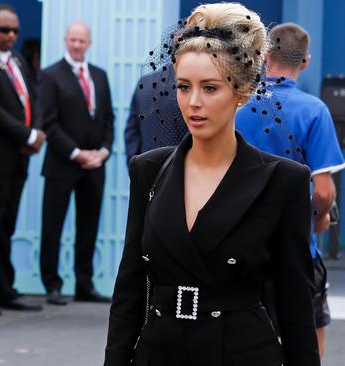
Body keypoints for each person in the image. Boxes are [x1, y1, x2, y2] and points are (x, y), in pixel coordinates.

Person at [104, 4, 320, 366]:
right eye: (184, 87)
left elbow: (295, 303)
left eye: (210, 88)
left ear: (243, 91)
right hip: (159, 353)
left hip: (242, 353)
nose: (193, 103)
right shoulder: (148, 170)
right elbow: (129, 288)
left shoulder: (283, 181)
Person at [236, 22, 345, 358]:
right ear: (306, 62)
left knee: (243, 343)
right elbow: (324, 193)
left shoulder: (237, 106)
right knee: (308, 344)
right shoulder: (315, 111)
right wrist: (318, 220)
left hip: (241, 245)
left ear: (265, 55)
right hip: (296, 249)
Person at [0, 4, 45, 312]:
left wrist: (36, 131)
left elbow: (33, 97)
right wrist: (25, 135)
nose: (11, 35)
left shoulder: (16, 59)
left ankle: (3, 289)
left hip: (20, 155)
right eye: (4, 29)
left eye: (15, 30)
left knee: (8, 224)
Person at [38, 21, 114, 305]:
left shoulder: (100, 76)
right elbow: (49, 122)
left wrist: (104, 151)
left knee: (89, 225)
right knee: (53, 225)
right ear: (65, 41)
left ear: (89, 42)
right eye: (72, 40)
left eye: (81, 40)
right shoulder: (50, 75)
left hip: (96, 164)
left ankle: (85, 283)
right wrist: (75, 153)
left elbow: (108, 119)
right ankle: (52, 284)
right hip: (62, 163)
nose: (77, 45)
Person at [124, 66, 188, 167]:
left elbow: (132, 132)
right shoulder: (194, 86)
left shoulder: (145, 82)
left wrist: (136, 169)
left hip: (147, 170)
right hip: (184, 172)